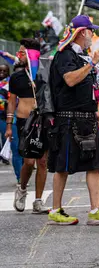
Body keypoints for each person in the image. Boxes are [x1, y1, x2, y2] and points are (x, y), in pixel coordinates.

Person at [48, 15, 99, 225]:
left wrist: (95, 110)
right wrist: (93, 64)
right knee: (62, 166)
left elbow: (85, 88)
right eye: (90, 30)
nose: (93, 35)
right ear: (82, 33)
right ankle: (55, 210)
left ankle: (95, 210)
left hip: (86, 119)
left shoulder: (82, 56)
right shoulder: (65, 55)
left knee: (94, 164)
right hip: (68, 120)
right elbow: (70, 80)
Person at [7, 39, 49, 214]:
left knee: (42, 161)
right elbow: (11, 102)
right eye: (19, 52)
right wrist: (9, 125)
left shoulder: (45, 74)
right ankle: (22, 189)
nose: (19, 55)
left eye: (23, 52)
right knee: (29, 162)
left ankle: (38, 201)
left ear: (33, 55)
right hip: (24, 122)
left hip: (43, 121)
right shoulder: (16, 76)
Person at [0, 63, 23, 180]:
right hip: (8, 119)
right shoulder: (5, 87)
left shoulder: (29, 85)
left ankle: (24, 174)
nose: (2, 74)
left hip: (24, 119)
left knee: (22, 149)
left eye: (4, 71)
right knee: (15, 148)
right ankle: (20, 177)